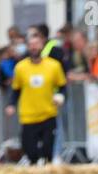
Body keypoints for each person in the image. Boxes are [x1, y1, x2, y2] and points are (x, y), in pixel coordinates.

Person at [8, 30, 67, 165]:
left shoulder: (53, 65)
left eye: (37, 44)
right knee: (30, 151)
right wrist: (11, 104)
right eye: (31, 45)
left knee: (48, 151)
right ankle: (34, 171)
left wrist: (60, 96)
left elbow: (62, 86)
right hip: (28, 115)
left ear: (42, 45)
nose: (34, 47)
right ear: (28, 47)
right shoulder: (21, 67)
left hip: (48, 113)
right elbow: (16, 90)